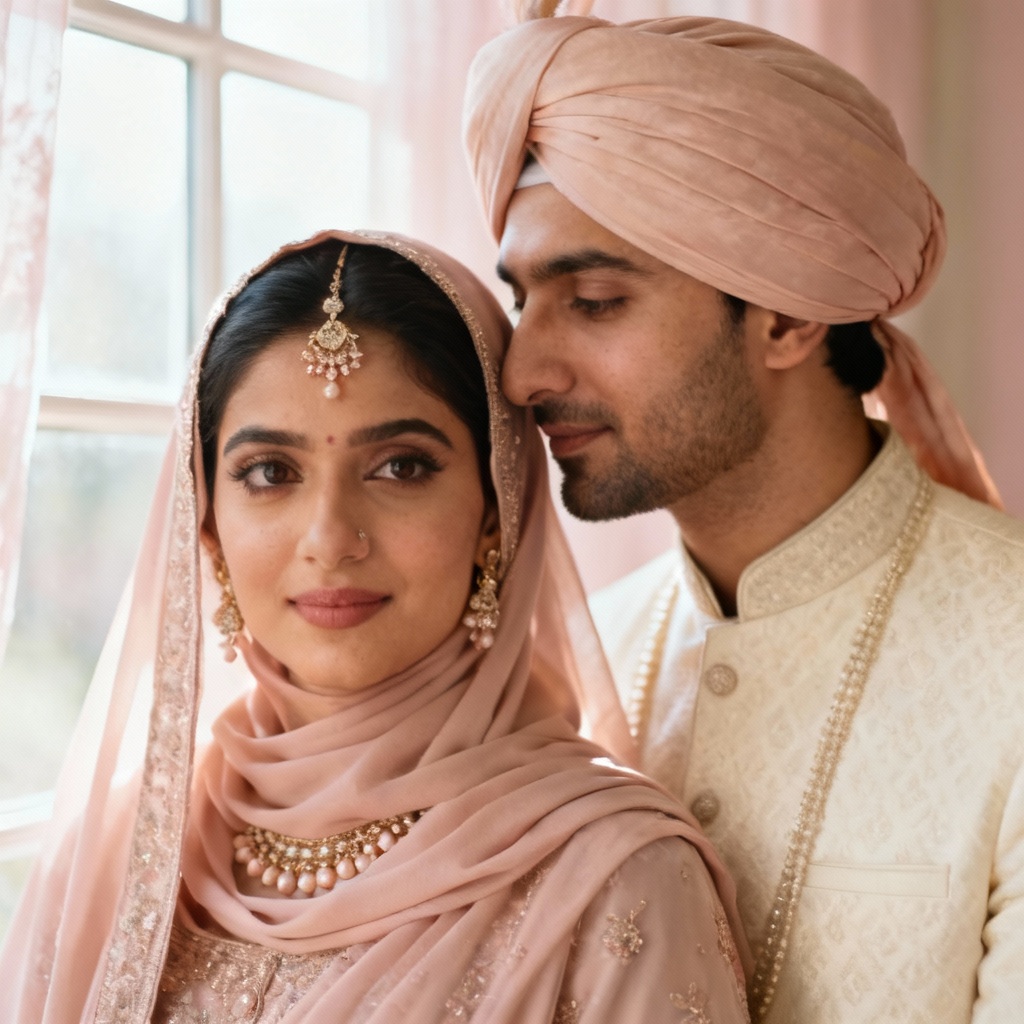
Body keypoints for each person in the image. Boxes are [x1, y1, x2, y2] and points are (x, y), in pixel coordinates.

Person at [0, 230, 751, 1023]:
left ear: (497, 512)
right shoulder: (125, 850)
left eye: (400, 466)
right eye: (269, 474)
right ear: (208, 524)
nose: (329, 537)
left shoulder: (615, 882)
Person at [463, 12, 1024, 1024]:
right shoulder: (576, 667)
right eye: (522, 302)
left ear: (788, 315)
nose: (522, 371)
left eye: (591, 299)